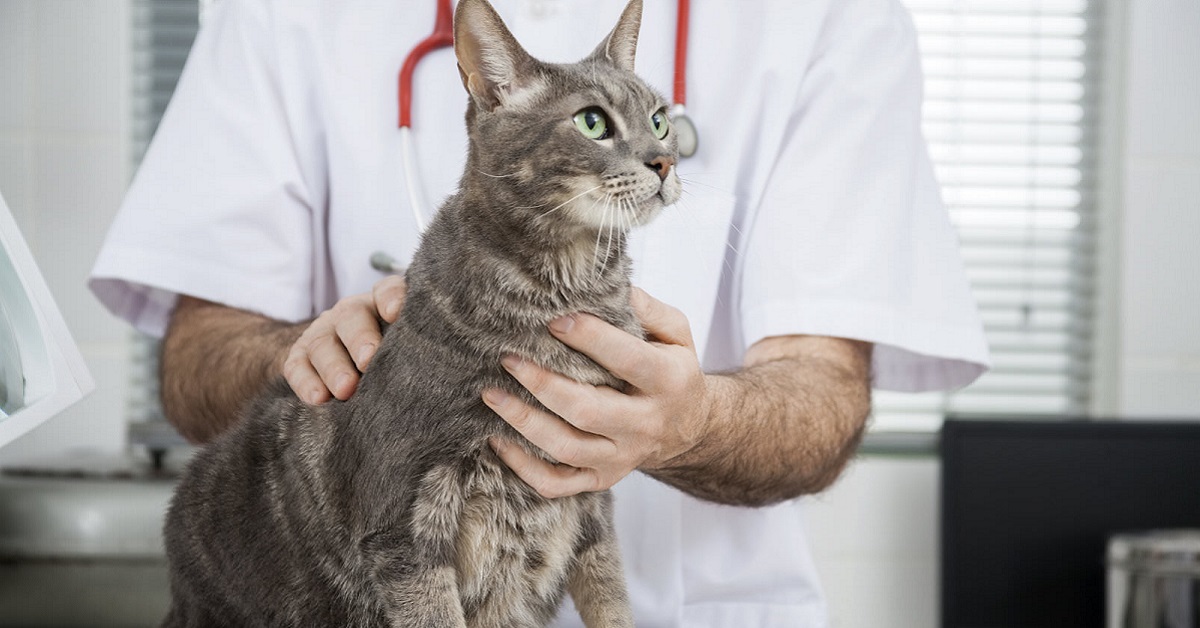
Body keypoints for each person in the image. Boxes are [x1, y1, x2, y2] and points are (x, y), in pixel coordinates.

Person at [90, 0, 990, 625]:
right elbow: (198, 355)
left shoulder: (832, 20)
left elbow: (823, 398)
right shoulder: (285, 17)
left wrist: (691, 421)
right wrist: (324, 363)